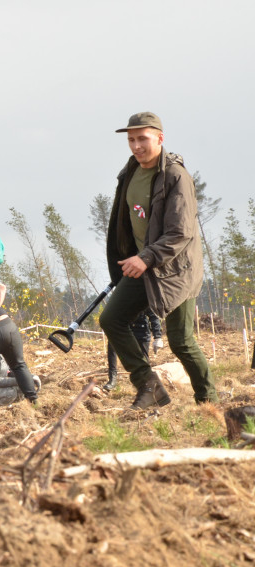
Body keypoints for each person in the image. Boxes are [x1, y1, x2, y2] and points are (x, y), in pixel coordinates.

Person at [98, 112, 217, 407]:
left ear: (160, 139)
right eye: (131, 140)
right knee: (111, 319)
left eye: (143, 139)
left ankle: (208, 400)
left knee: (180, 340)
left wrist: (146, 257)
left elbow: (181, 232)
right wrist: (128, 258)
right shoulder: (129, 173)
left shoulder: (176, 176)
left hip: (177, 269)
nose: (136, 146)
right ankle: (149, 385)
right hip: (144, 266)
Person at [103, 309, 163, 391]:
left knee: (144, 360)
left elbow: (153, 315)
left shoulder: (143, 297)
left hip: (141, 332)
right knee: (112, 345)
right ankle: (112, 379)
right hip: (125, 329)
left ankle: (148, 386)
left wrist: (157, 337)